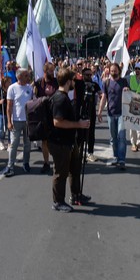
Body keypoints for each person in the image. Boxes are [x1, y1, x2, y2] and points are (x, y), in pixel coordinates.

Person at [49, 69, 92, 212]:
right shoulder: (60, 98)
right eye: (73, 80)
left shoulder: (65, 96)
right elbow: (57, 122)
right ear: (68, 82)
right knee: (61, 172)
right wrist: (78, 125)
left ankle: (76, 195)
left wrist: (79, 121)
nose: (74, 83)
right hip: (60, 142)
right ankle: (58, 201)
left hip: (69, 140)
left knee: (75, 168)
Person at [97, 62, 129, 170]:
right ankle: (115, 156)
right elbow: (104, 97)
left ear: (119, 71)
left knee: (122, 137)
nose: (113, 73)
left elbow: (130, 95)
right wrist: (100, 111)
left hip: (122, 114)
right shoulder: (106, 83)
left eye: (115, 71)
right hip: (110, 114)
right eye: (111, 71)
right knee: (113, 138)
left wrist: (127, 90)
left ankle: (121, 159)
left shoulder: (124, 81)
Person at [4, 69, 34, 177]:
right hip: (16, 121)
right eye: (26, 75)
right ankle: (10, 166)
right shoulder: (12, 88)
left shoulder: (29, 88)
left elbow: (33, 103)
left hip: (28, 121)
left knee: (27, 144)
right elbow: (9, 106)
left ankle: (26, 163)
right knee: (14, 144)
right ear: (19, 77)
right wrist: (9, 121)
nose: (28, 77)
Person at [33, 62, 58, 174]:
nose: (52, 73)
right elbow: (35, 97)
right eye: (50, 71)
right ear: (45, 71)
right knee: (44, 140)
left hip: (54, 113)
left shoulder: (55, 82)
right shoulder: (39, 83)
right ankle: (46, 162)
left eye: (53, 71)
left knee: (54, 139)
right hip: (43, 114)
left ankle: (56, 162)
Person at [73, 65, 100, 163]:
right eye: (86, 75)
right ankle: (79, 152)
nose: (89, 76)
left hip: (91, 111)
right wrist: (76, 71)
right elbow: (70, 78)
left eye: (90, 74)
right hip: (80, 110)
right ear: (82, 75)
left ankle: (90, 152)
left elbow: (101, 93)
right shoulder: (79, 83)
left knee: (91, 132)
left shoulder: (94, 84)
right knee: (79, 133)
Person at [0, 75, 11, 151]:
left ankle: (10, 143)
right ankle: (2, 141)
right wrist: (0, 101)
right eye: (8, 82)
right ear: (5, 82)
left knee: (10, 128)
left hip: (9, 111)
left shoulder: (11, 89)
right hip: (1, 112)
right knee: (1, 127)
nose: (10, 83)